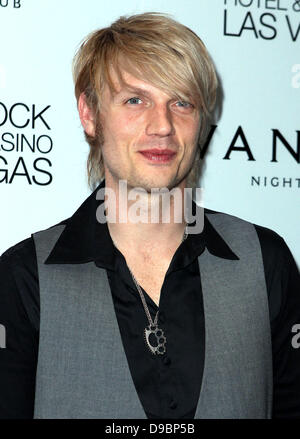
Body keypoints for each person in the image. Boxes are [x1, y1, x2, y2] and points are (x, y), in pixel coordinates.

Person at [0, 12, 299, 419]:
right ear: (89, 114)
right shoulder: (22, 278)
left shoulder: (266, 262)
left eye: (181, 102)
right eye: (135, 100)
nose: (162, 125)